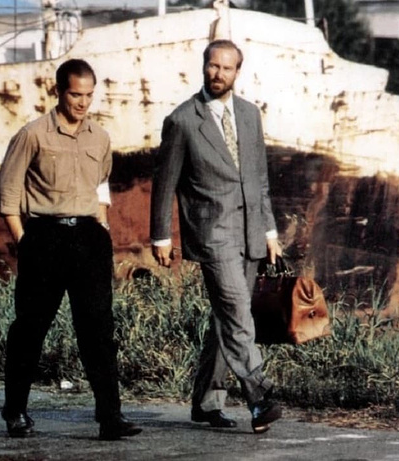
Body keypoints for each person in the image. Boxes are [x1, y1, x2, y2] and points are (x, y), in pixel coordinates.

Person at [0, 58, 141, 441]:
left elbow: (101, 185)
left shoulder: (100, 137)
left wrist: (102, 226)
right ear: (58, 91)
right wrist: (24, 240)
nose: (83, 103)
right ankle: (15, 411)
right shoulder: (32, 135)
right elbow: (7, 193)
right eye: (76, 95)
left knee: (98, 330)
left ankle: (110, 417)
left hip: (89, 240)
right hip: (44, 238)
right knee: (31, 328)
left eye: (89, 95)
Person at [149, 39, 283, 434]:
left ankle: (207, 402)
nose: (217, 73)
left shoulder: (249, 114)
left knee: (225, 317)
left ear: (237, 71)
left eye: (226, 67)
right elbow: (164, 182)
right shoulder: (182, 120)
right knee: (238, 313)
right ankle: (259, 397)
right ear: (204, 66)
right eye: (212, 65)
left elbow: (259, 178)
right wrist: (161, 235)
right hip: (213, 234)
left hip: (251, 231)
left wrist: (270, 230)